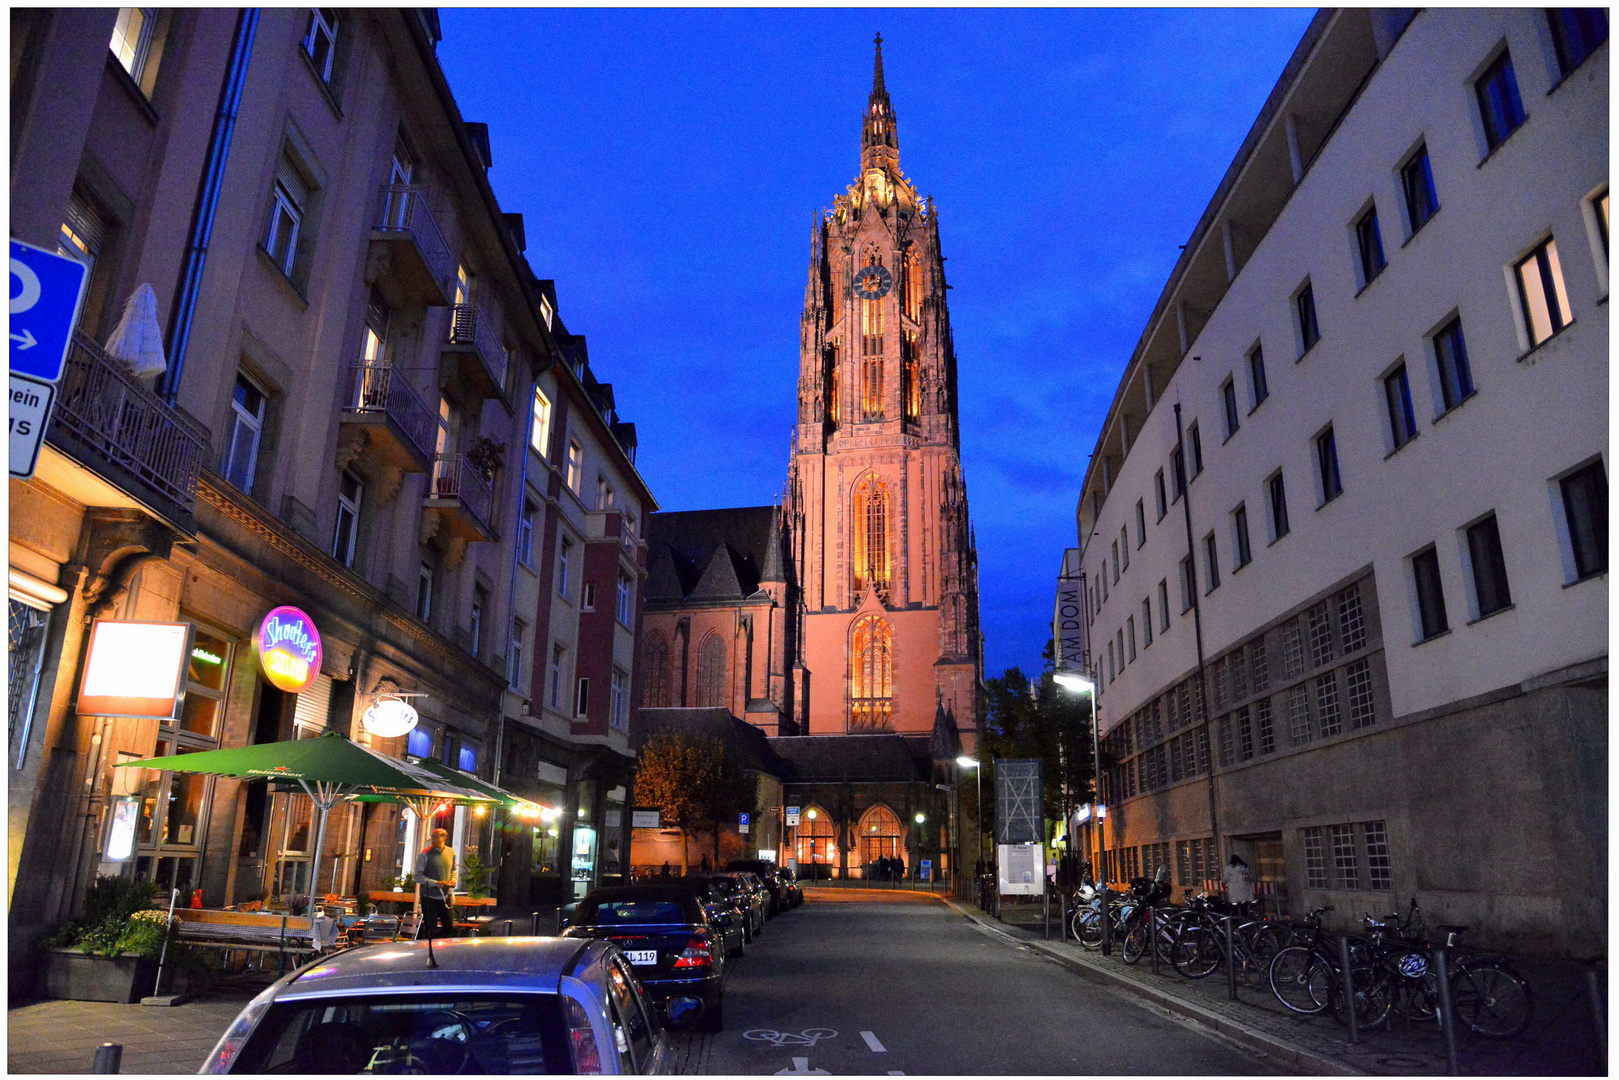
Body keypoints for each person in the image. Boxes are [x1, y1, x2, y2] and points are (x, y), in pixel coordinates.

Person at [414, 828, 458, 940]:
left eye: (437, 837)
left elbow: (453, 869)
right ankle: (430, 947)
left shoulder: (450, 852)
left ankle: (444, 947)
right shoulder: (425, 854)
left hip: (445, 895)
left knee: (449, 926)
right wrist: (435, 883)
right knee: (430, 926)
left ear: (444, 838)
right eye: (433, 836)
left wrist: (453, 879)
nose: (434, 839)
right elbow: (418, 876)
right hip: (429, 896)